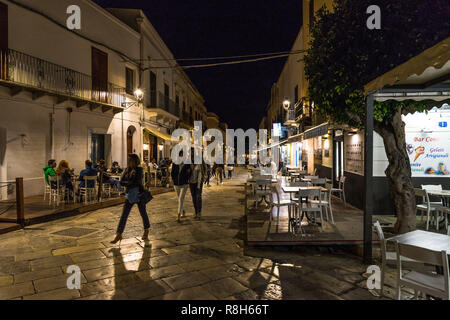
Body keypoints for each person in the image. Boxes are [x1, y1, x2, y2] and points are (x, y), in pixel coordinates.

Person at [111, 154, 150, 245]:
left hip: (139, 194)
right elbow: (121, 182)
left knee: (143, 213)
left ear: (134, 161)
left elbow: (136, 182)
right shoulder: (127, 170)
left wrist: (127, 183)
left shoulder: (139, 170)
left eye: (130, 160)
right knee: (124, 214)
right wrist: (128, 183)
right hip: (130, 194)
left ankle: (146, 230)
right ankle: (119, 234)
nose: (128, 161)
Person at [171, 151, 191, 222]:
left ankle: (178, 215)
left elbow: (189, 173)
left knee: (180, 199)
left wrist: (187, 178)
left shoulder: (187, 164)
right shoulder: (175, 163)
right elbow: (172, 173)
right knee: (180, 199)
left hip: (184, 184)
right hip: (176, 184)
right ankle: (183, 211)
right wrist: (173, 180)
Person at [189, 154, 207, 220]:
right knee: (193, 197)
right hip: (191, 182)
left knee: (198, 197)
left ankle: (199, 212)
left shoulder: (200, 161)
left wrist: (204, 177)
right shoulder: (189, 162)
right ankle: (196, 212)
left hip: (199, 182)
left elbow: (205, 168)